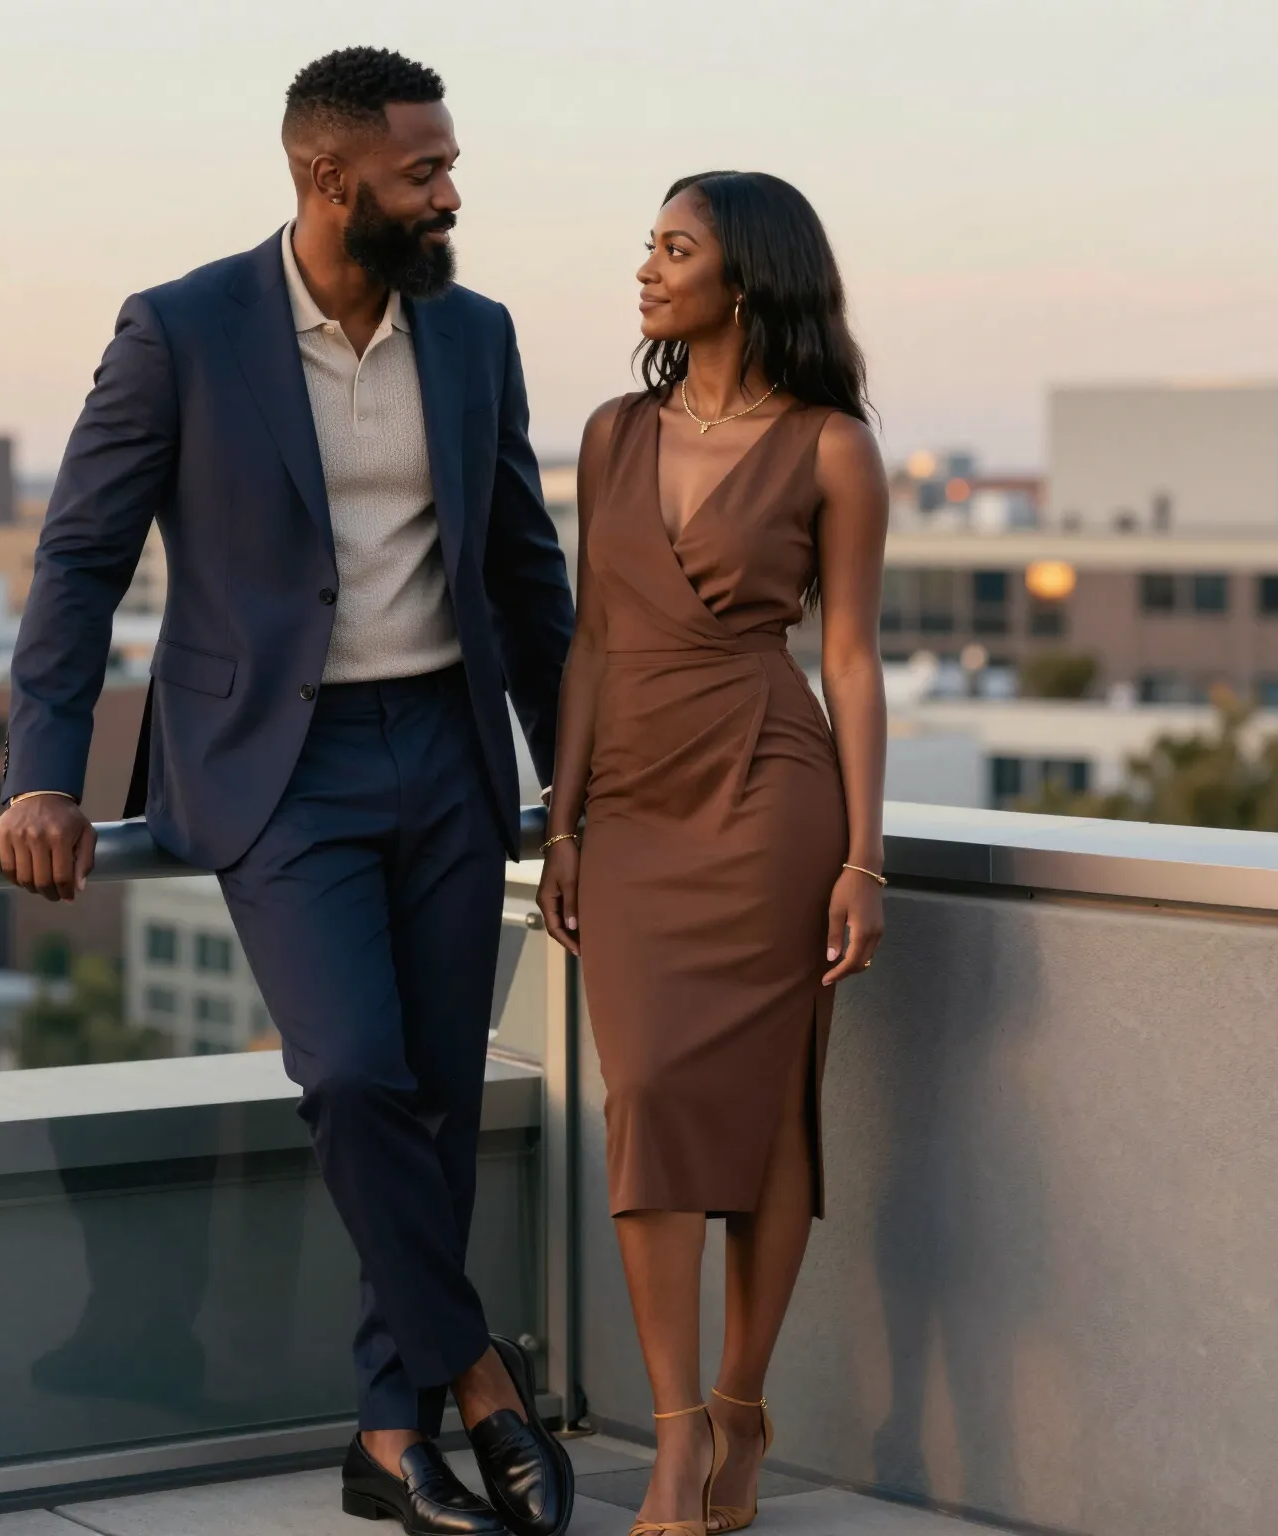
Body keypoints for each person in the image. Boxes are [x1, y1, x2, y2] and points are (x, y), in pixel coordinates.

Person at [0, 47, 577, 1536]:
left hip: (449, 760)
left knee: (440, 1097)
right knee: (351, 1075)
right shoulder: (184, 330)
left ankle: (390, 1436)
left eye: (450, 163)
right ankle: (482, 1386)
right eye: (425, 168)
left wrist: (573, 782)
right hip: (279, 770)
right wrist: (42, 778)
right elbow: (79, 558)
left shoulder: (473, 333)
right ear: (329, 176)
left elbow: (525, 573)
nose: (452, 191)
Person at [536, 172, 889, 1536]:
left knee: (767, 1106)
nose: (646, 267)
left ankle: (737, 1411)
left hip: (766, 788)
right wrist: (560, 820)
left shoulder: (830, 448)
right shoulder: (612, 433)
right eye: (649, 243)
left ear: (743, 279)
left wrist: (866, 858)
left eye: (674, 248)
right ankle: (680, 1437)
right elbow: (591, 642)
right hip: (627, 805)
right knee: (652, 1098)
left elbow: (850, 660)